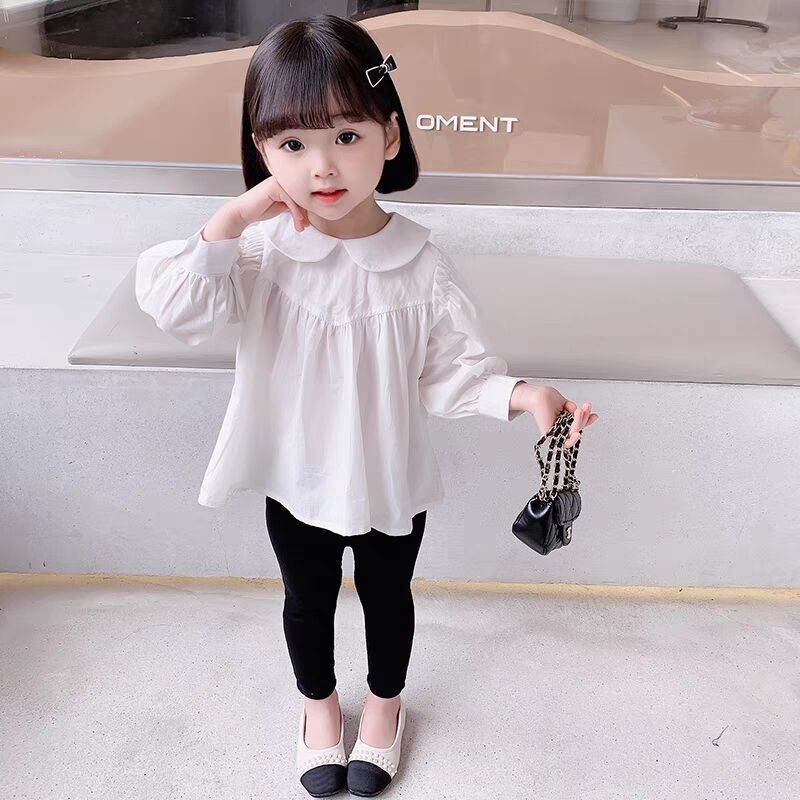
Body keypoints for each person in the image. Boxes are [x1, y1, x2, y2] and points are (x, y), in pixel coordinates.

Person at [135, 13, 599, 798]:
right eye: (292, 144)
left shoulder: (420, 265)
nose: (322, 166)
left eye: (346, 136)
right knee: (306, 601)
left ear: (389, 135)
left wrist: (523, 396)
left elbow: (449, 373)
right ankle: (319, 708)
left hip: (387, 478)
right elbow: (178, 307)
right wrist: (234, 217)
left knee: (388, 599)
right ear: (262, 153)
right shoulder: (259, 254)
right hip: (295, 477)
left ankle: (384, 706)